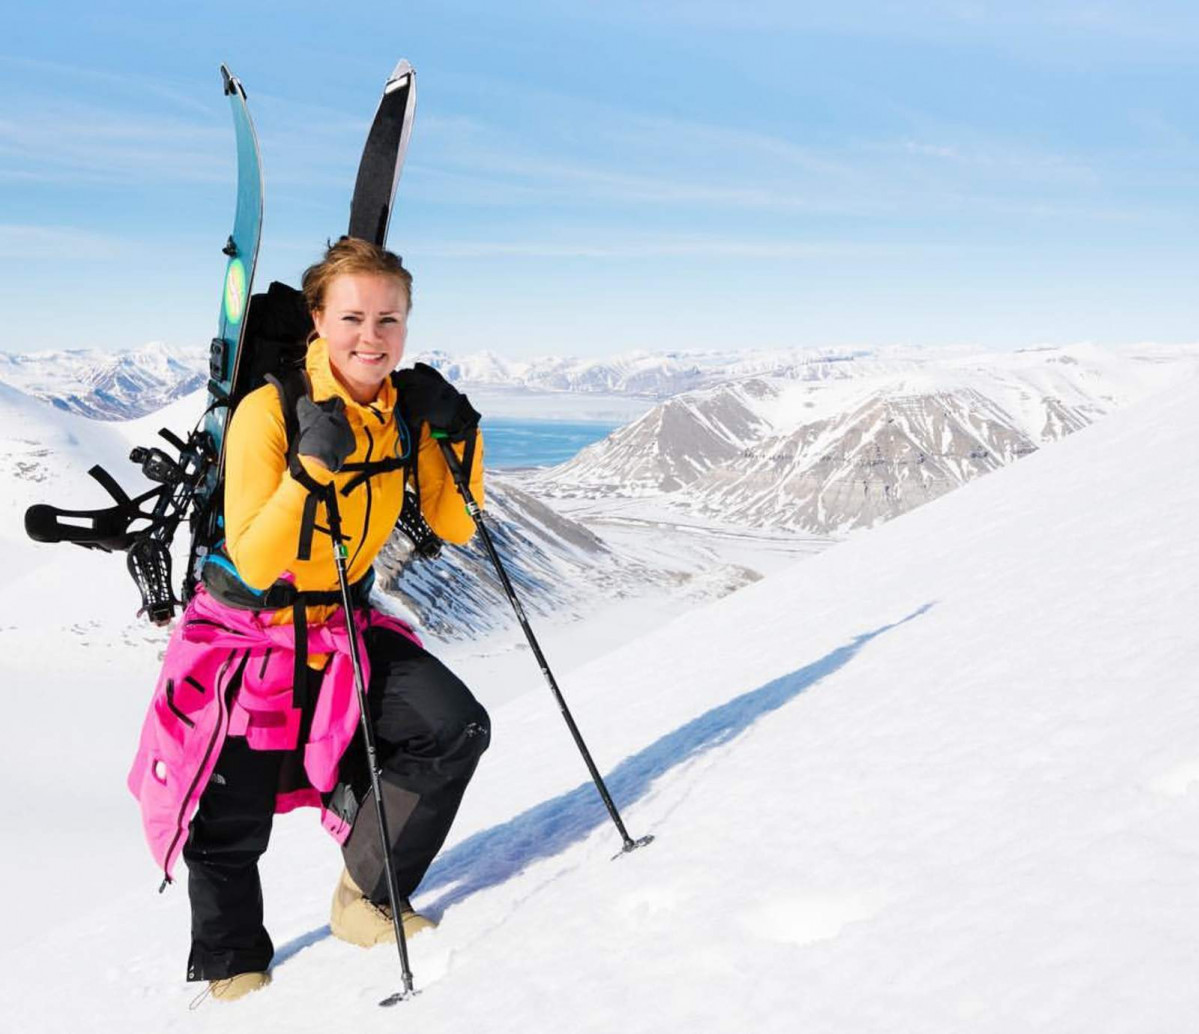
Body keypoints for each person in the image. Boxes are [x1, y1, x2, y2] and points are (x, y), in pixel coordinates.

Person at [127, 238, 490, 1003]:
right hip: (243, 636)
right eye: (352, 316)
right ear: (318, 321)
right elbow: (257, 560)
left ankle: (365, 897)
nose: (372, 336)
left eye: (388, 319)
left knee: (453, 726)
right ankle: (232, 964)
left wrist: (459, 434)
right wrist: (306, 473)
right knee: (228, 818)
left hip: (340, 624)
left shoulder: (403, 414)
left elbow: (456, 524)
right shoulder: (270, 411)